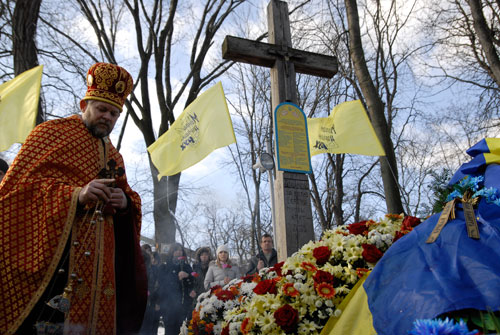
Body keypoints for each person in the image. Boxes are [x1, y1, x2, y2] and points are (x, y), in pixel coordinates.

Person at [0, 62, 147, 335]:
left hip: (99, 270)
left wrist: (125, 203)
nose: (108, 117)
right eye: (102, 109)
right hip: (55, 263)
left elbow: (129, 200)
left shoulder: (114, 157)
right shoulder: (49, 134)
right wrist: (75, 194)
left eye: (114, 114)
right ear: (84, 104)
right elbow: (13, 194)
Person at [157, 243, 195, 335]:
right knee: (169, 330)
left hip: (183, 304)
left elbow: (195, 278)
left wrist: (188, 276)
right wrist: (176, 278)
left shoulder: (187, 266)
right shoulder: (165, 266)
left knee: (181, 330)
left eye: (180, 250)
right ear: (172, 252)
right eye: (176, 250)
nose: (179, 252)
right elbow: (162, 284)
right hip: (168, 304)